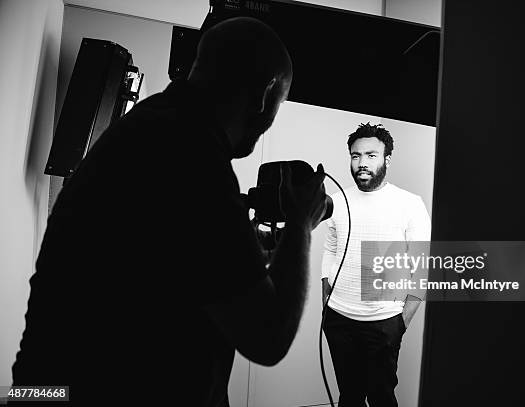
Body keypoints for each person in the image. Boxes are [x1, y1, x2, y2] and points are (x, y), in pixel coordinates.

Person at [12, 17, 328, 406]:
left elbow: (168, 272)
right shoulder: (192, 156)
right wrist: (301, 224)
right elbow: (268, 337)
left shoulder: (155, 127)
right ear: (265, 96)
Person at [321, 123, 431, 407]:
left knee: (381, 397)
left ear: (386, 160)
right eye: (356, 156)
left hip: (384, 323)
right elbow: (330, 250)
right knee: (350, 397)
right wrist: (326, 299)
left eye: (371, 155)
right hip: (338, 320)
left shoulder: (409, 203)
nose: (362, 163)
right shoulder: (337, 201)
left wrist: (401, 321)